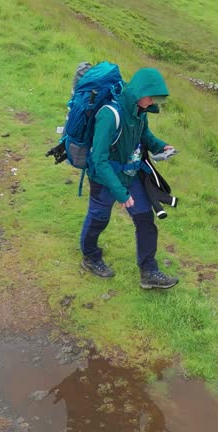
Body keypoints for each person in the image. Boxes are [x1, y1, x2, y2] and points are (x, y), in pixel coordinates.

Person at [79, 67, 179, 290]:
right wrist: (120, 192)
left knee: (145, 219)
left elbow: (144, 135)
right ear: (139, 92)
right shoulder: (109, 114)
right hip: (104, 179)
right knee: (98, 218)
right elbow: (98, 159)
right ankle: (90, 257)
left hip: (131, 174)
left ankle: (149, 271)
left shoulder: (139, 111)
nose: (153, 101)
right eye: (151, 96)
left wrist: (160, 146)